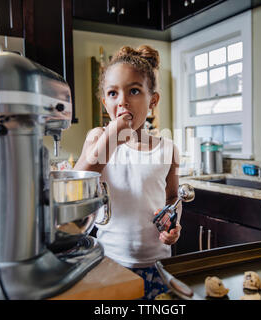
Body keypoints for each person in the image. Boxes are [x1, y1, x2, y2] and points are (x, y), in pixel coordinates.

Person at [74, 45, 181, 300]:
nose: (122, 100)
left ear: (153, 100)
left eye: (134, 91)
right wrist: (112, 137)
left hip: (158, 265)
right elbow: (76, 185)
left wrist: (173, 227)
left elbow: (172, 198)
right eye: (113, 93)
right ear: (105, 102)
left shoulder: (168, 149)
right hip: (109, 262)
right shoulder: (98, 138)